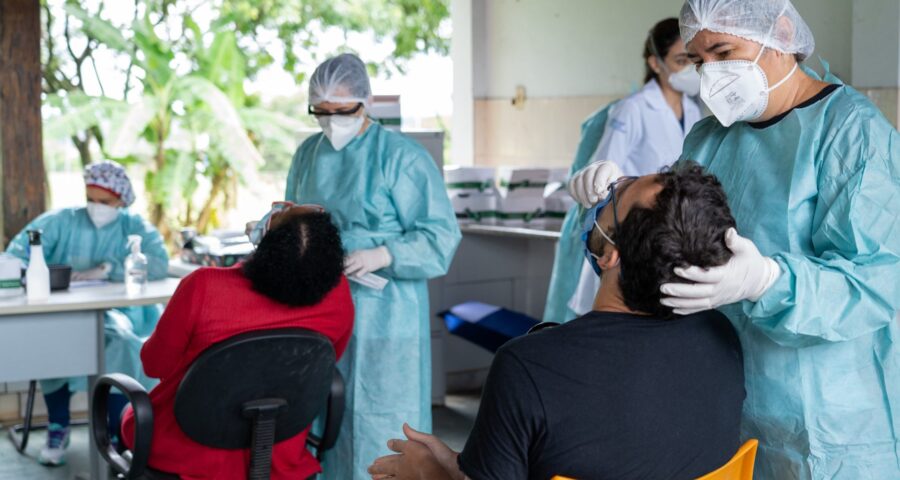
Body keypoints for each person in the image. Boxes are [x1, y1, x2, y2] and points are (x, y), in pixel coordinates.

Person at [567, 1, 900, 477]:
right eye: (700, 61)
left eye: (725, 51)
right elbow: (667, 236)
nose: (713, 74)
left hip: (827, 423)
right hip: (718, 402)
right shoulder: (710, 138)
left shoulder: (852, 134)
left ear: (781, 33)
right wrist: (617, 197)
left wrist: (766, 281)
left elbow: (875, 284)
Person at [369, 164, 745, 480]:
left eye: (617, 195)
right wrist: (460, 466)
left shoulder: (529, 367)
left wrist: (426, 472)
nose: (606, 195)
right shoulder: (720, 337)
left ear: (610, 256)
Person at [278, 53, 461, 479]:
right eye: (321, 113)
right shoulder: (307, 154)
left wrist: (383, 254)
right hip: (322, 304)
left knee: (384, 417)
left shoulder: (401, 157)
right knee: (328, 416)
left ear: (366, 103)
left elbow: (441, 236)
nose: (331, 122)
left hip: (387, 308)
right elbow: (292, 216)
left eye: (342, 112)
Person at [120, 208, 355, 479]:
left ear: (265, 246)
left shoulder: (204, 286)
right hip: (278, 451)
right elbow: (323, 363)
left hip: (186, 450)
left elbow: (154, 365)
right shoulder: (337, 294)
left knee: (130, 414)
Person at [4, 161, 168, 466]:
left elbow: (159, 263)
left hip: (122, 314)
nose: (96, 207)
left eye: (104, 202)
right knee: (52, 341)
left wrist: (109, 269)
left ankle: (119, 432)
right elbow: (16, 254)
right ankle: (58, 425)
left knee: (119, 341)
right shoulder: (60, 222)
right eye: (90, 199)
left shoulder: (135, 227)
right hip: (64, 312)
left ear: (121, 200)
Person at [544, 18, 703, 324]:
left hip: (669, 236)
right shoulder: (632, 109)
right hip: (627, 235)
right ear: (655, 63)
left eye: (691, 60)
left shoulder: (695, 111)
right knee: (617, 324)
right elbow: (601, 176)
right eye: (680, 60)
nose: (689, 69)